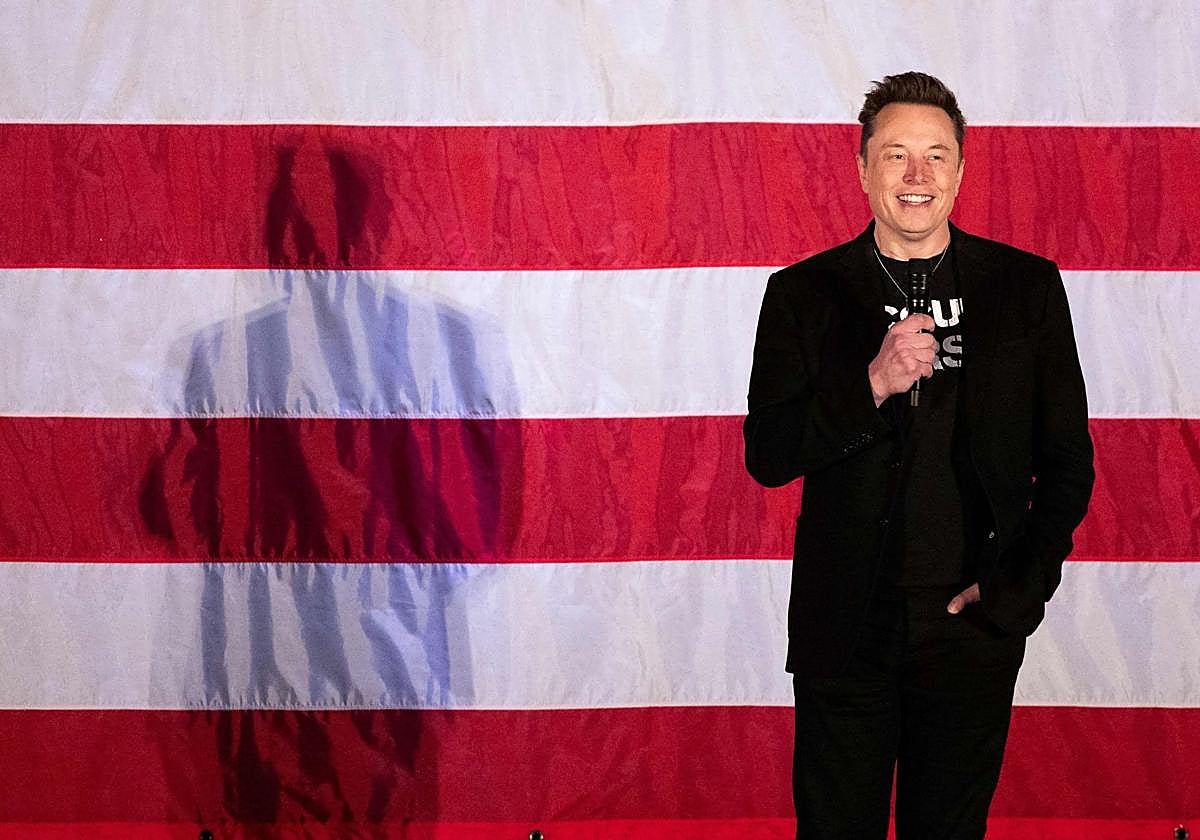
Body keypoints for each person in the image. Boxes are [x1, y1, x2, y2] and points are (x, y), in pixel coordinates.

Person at [743, 72, 1095, 839]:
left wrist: (1017, 588)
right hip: (847, 626)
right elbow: (767, 454)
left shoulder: (1026, 288)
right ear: (862, 168)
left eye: (935, 155)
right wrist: (870, 384)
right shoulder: (803, 293)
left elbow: (1069, 462)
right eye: (895, 154)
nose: (916, 174)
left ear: (960, 171)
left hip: (971, 625)